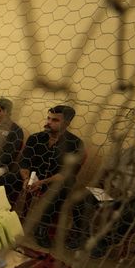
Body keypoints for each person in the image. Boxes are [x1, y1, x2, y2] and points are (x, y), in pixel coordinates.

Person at [68, 120, 135, 258]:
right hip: (112, 194)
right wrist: (107, 186)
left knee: (131, 214)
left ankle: (103, 243)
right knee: (81, 197)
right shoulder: (127, 152)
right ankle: (82, 236)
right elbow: (104, 172)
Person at [19, 105, 84, 247]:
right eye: (48, 118)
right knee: (7, 178)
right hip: (31, 178)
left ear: (66, 123)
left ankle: (41, 228)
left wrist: (41, 183)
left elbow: (66, 173)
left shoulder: (75, 143)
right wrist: (26, 179)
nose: (48, 122)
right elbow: (24, 162)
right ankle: (4, 217)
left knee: (64, 186)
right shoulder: (35, 138)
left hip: (53, 181)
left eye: (55, 120)